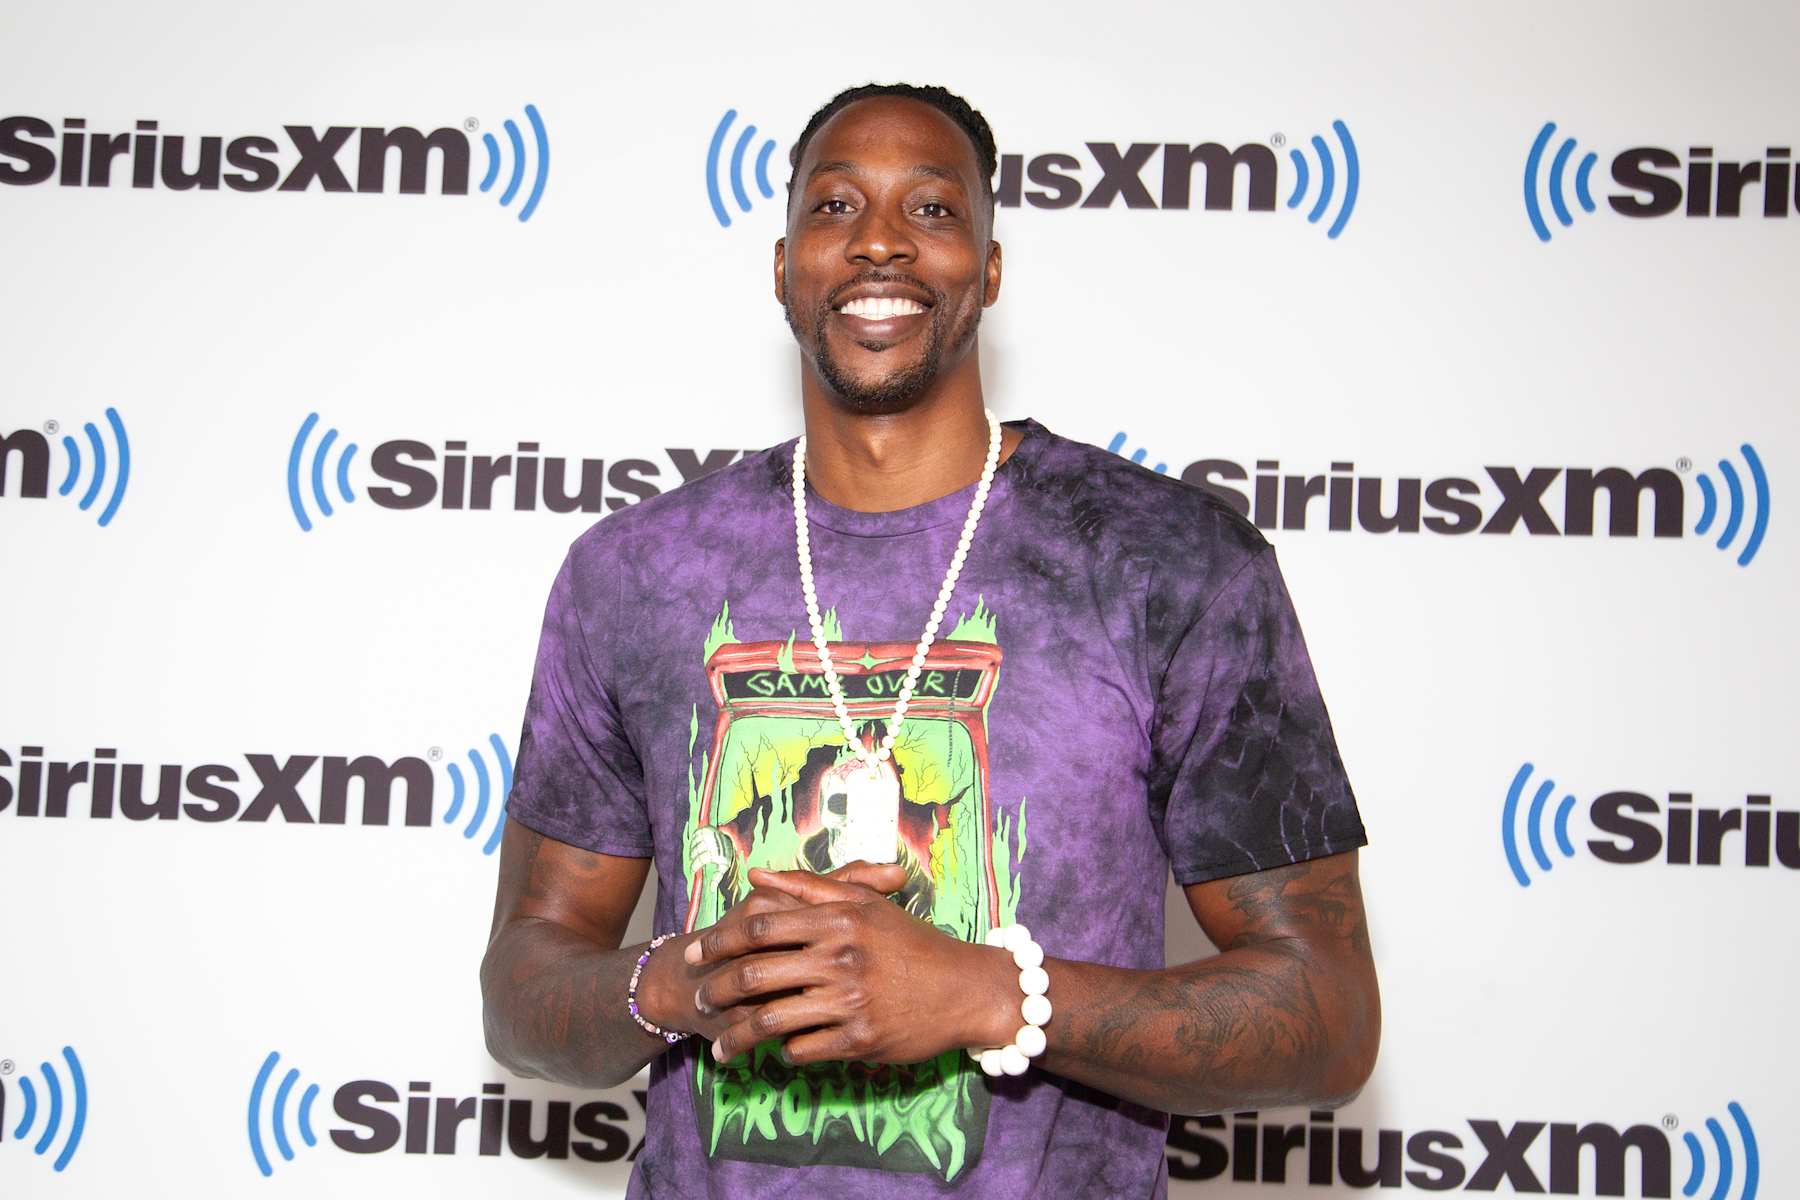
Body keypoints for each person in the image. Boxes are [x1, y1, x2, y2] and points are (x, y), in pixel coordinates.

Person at [480, 81, 1378, 1199]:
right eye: (836, 207)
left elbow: (1327, 1016)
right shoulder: (634, 573)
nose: (880, 244)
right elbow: (522, 990)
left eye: (935, 211)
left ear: (990, 272)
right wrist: (683, 980)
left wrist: (994, 995)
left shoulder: (1169, 564)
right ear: (783, 265)